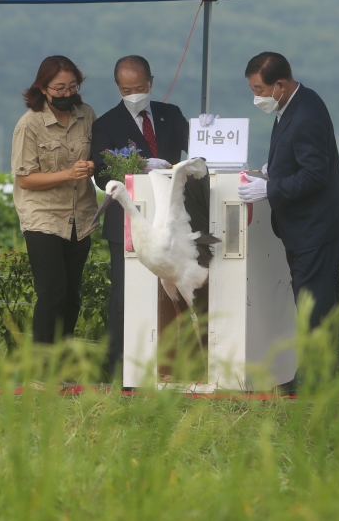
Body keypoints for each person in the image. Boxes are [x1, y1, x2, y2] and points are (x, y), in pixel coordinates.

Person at [91, 54, 216, 377]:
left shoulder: (169, 115)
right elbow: (103, 177)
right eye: (126, 88)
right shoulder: (104, 124)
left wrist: (210, 131)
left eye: (140, 86)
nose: (134, 93)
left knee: (177, 294)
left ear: (151, 82)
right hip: (130, 227)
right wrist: (138, 167)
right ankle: (120, 372)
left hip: (170, 226)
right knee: (124, 297)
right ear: (117, 87)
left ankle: (181, 365)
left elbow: (200, 153)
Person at [237, 52, 339, 333]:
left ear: (280, 85)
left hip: (318, 228)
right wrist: (276, 168)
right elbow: (299, 156)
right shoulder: (294, 103)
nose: (257, 96)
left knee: (313, 310)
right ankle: (310, 373)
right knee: (309, 306)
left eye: (260, 89)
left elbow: (315, 174)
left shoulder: (306, 114)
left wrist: (269, 188)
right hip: (306, 229)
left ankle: (316, 377)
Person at [12, 55, 98, 344]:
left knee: (72, 295)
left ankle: (62, 365)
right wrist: (69, 174)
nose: (66, 94)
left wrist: (92, 167)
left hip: (81, 216)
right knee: (52, 292)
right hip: (43, 217)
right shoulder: (30, 124)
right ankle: (40, 369)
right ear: (43, 88)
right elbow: (25, 179)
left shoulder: (86, 114)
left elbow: (99, 156)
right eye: (59, 88)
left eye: (72, 87)